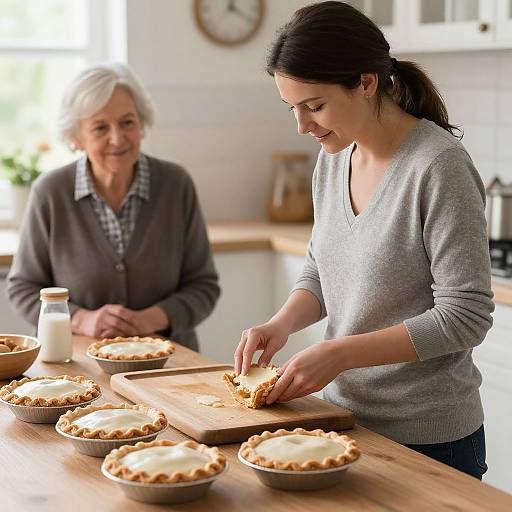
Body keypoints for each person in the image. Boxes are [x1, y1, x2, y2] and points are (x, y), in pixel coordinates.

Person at [234, 1, 493, 479]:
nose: (302, 125)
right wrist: (282, 323)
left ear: (367, 83)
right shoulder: (333, 158)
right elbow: (321, 269)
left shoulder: (438, 167)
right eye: (292, 108)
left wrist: (340, 353)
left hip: (429, 441)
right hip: (343, 423)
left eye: (314, 106)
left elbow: (466, 317)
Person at [7, 63, 220, 351]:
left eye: (127, 122)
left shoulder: (175, 184)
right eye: (100, 127)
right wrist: (82, 319)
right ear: (76, 137)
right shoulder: (50, 192)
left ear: (141, 123)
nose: (117, 138)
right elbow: (24, 289)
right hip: (76, 365)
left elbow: (203, 285)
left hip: (168, 365)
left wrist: (151, 319)